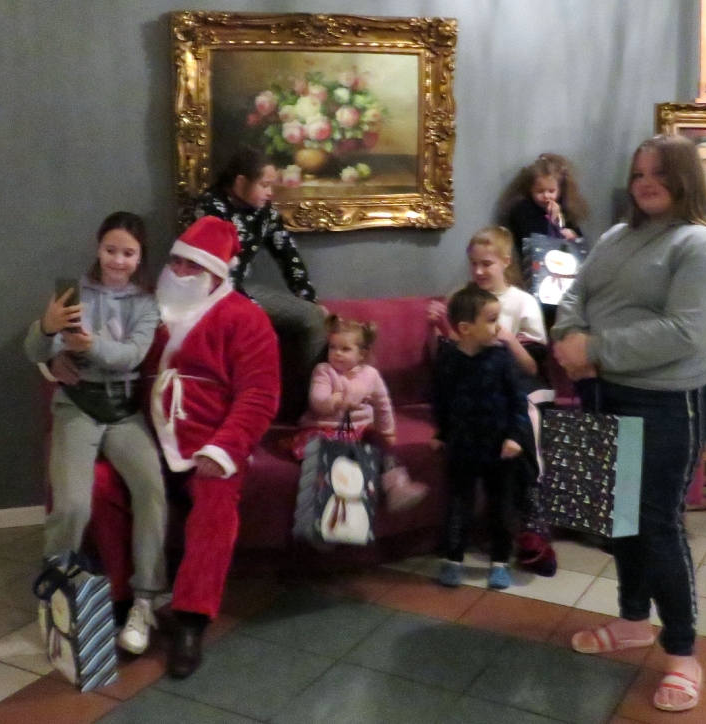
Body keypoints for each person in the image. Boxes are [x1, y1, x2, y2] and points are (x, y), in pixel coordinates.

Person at [552, 134, 706, 713]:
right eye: (638, 173)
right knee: (618, 519)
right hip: (602, 390)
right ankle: (633, 621)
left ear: (686, 178)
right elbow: (575, 293)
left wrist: (593, 348)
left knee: (657, 526)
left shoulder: (703, 248)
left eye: (659, 172)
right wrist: (567, 336)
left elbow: (683, 334)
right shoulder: (615, 236)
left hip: (664, 403)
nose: (645, 183)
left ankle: (683, 654)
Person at [24, 211, 167, 656]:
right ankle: (56, 594)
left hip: (123, 412)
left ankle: (145, 599)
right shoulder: (74, 293)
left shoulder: (146, 303)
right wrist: (47, 331)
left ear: (140, 257)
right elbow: (34, 350)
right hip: (78, 406)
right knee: (71, 504)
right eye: (110, 250)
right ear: (97, 248)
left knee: (151, 490)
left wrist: (91, 346)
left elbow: (131, 356)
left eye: (128, 253)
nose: (118, 261)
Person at [147, 215, 280, 679]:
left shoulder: (246, 317)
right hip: (147, 437)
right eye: (176, 262)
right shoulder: (148, 311)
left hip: (211, 440)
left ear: (215, 273)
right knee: (105, 484)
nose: (180, 272)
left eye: (193, 266)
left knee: (215, 505)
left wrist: (222, 449)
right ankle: (125, 601)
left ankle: (191, 619)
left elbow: (260, 395)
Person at [427, 227, 557, 576]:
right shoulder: (462, 298)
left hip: (519, 381)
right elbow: (446, 366)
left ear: (506, 262)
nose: (479, 271)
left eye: (487, 264)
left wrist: (505, 338)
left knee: (523, 419)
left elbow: (531, 367)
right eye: (474, 264)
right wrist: (438, 330)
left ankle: (532, 524)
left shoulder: (522, 302)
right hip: (475, 383)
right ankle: (458, 546)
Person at [192, 146, 324, 421]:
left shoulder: (264, 212)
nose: (270, 192)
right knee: (253, 329)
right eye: (264, 185)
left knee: (312, 317)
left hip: (244, 289)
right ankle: (244, 413)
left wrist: (307, 296)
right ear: (241, 182)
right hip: (208, 295)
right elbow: (217, 269)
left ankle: (300, 411)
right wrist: (250, 311)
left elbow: (287, 254)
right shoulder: (210, 209)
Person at [431, 283, 536, 590]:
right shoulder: (449, 359)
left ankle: (500, 561)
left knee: (500, 506)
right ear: (465, 328)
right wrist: (442, 432)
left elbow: (518, 400)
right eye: (491, 320)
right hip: (462, 445)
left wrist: (515, 436)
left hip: (500, 445)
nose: (498, 327)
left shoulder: (501, 357)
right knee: (458, 504)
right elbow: (441, 400)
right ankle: (453, 559)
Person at [293, 315, 428, 511]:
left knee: (378, 442)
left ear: (362, 354)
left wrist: (387, 431)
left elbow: (383, 405)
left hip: (359, 429)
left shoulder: (371, 375)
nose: (337, 353)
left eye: (345, 349)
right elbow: (317, 400)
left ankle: (397, 486)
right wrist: (334, 402)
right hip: (325, 428)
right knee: (328, 454)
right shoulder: (324, 371)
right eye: (333, 348)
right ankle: (328, 504)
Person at [501, 153, 588, 257]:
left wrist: (573, 235)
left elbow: (580, 242)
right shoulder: (523, 210)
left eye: (551, 191)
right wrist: (553, 222)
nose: (546, 196)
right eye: (540, 191)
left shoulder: (564, 209)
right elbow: (534, 240)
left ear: (560, 191)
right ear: (530, 190)